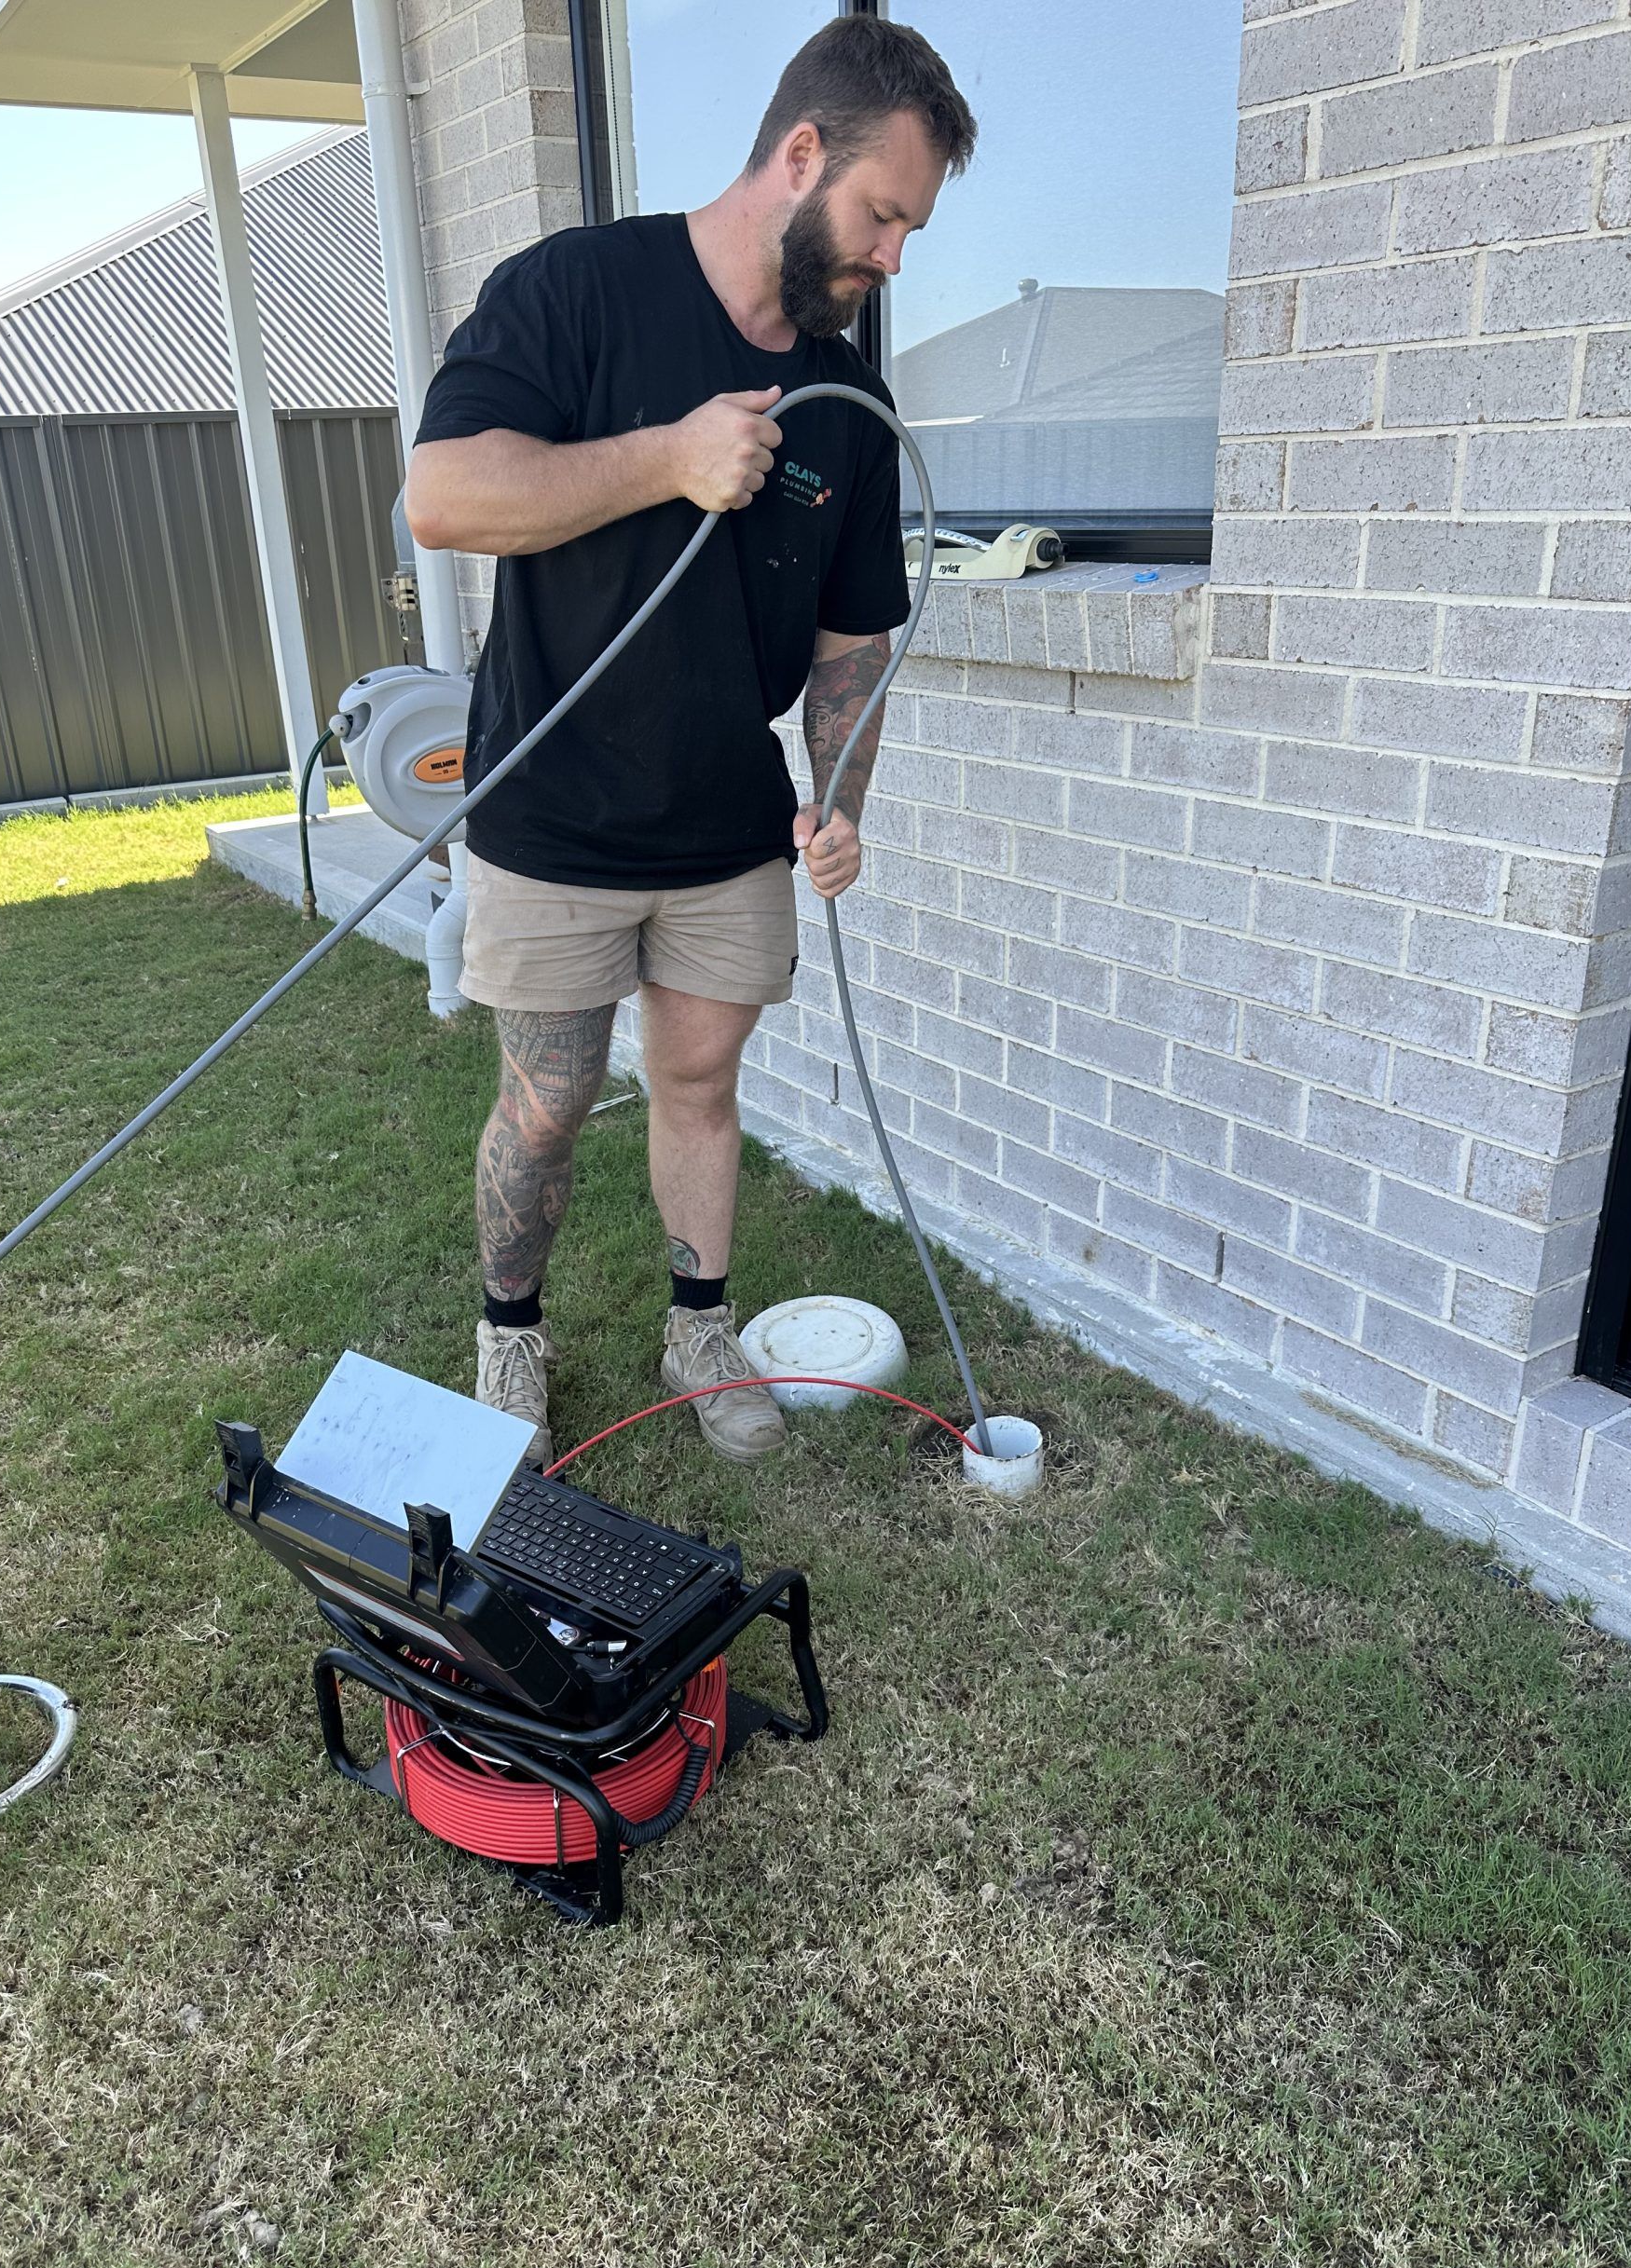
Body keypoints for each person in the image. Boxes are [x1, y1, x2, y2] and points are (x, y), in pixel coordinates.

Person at [404, 16, 976, 1467]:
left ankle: (700, 1325)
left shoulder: (850, 403)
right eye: (882, 215)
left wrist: (842, 793)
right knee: (546, 1104)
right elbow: (447, 497)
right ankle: (510, 1339)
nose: (894, 257)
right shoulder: (575, 292)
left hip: (729, 826)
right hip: (555, 814)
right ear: (800, 156)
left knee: (703, 1083)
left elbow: (853, 641)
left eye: (910, 228)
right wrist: (668, 456)